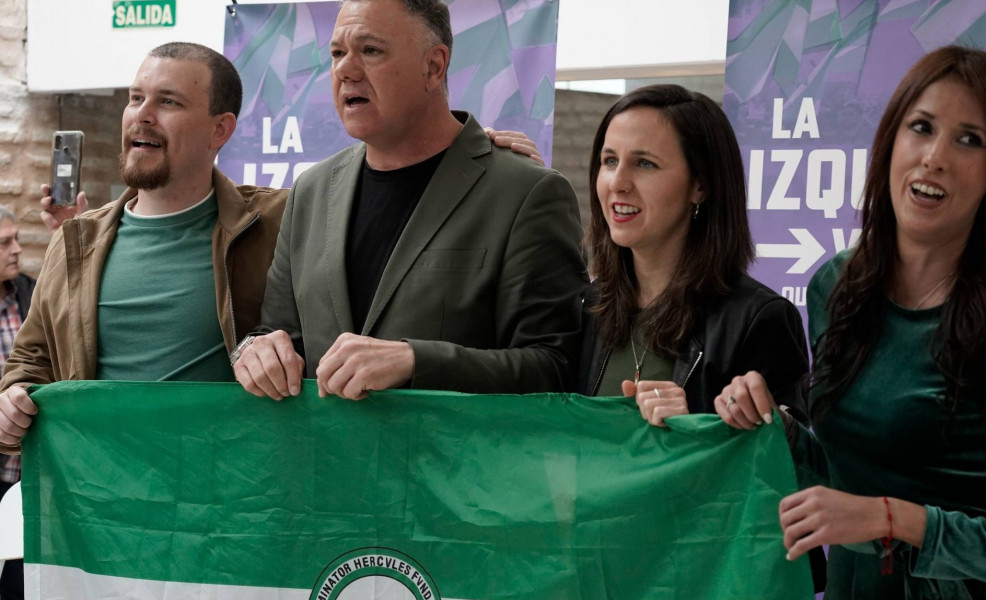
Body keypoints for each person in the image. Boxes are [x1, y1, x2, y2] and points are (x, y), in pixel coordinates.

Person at [718, 46, 986, 600]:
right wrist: (773, 430)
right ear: (890, 141)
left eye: (969, 139)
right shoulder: (836, 288)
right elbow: (842, 477)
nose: (933, 157)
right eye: (922, 127)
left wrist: (896, 520)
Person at [232, 0, 586, 401]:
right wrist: (255, 351)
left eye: (370, 50)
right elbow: (279, 337)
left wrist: (416, 361)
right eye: (336, 53)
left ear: (433, 67)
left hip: (456, 462)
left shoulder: (526, 192)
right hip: (328, 461)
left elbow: (555, 368)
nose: (344, 70)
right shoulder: (310, 192)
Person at [0, 42, 289, 449]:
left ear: (219, 128)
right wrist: (12, 402)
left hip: (225, 497)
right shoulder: (75, 239)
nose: (142, 115)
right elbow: (31, 361)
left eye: (168, 101)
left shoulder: (277, 222)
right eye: (136, 98)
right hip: (99, 496)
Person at [575, 84, 809, 427]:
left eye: (644, 163)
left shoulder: (760, 321)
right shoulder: (587, 307)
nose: (617, 182)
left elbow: (788, 467)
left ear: (700, 186)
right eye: (609, 161)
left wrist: (695, 432)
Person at [0, 205, 31, 600]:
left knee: (20, 591)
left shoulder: (31, 292)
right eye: (4, 242)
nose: (17, 249)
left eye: (17, 238)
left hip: (24, 477)